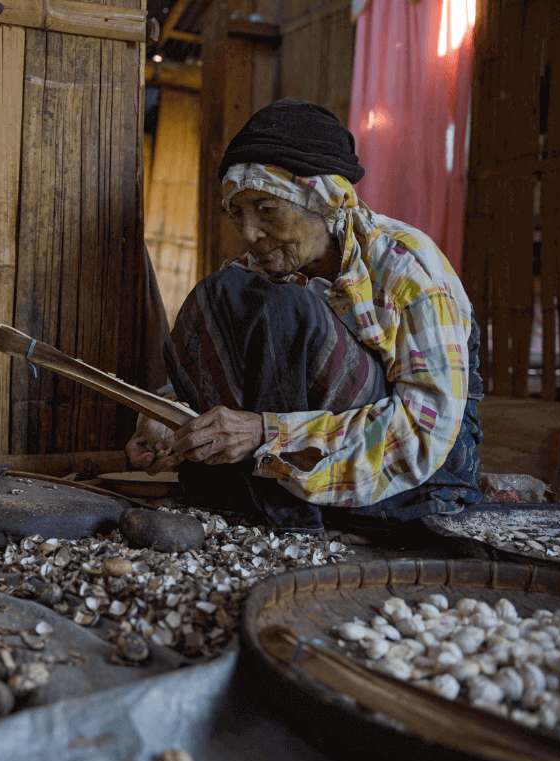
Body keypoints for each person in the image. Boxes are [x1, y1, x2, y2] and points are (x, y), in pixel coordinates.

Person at [126, 98, 483, 535]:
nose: (250, 233)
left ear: (325, 201)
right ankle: (261, 492)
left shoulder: (408, 269)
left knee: (286, 308)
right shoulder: (259, 271)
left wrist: (264, 434)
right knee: (220, 293)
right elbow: (221, 366)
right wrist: (168, 418)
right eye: (238, 213)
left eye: (267, 209)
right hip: (291, 457)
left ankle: (281, 508)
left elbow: (420, 434)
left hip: (418, 466)